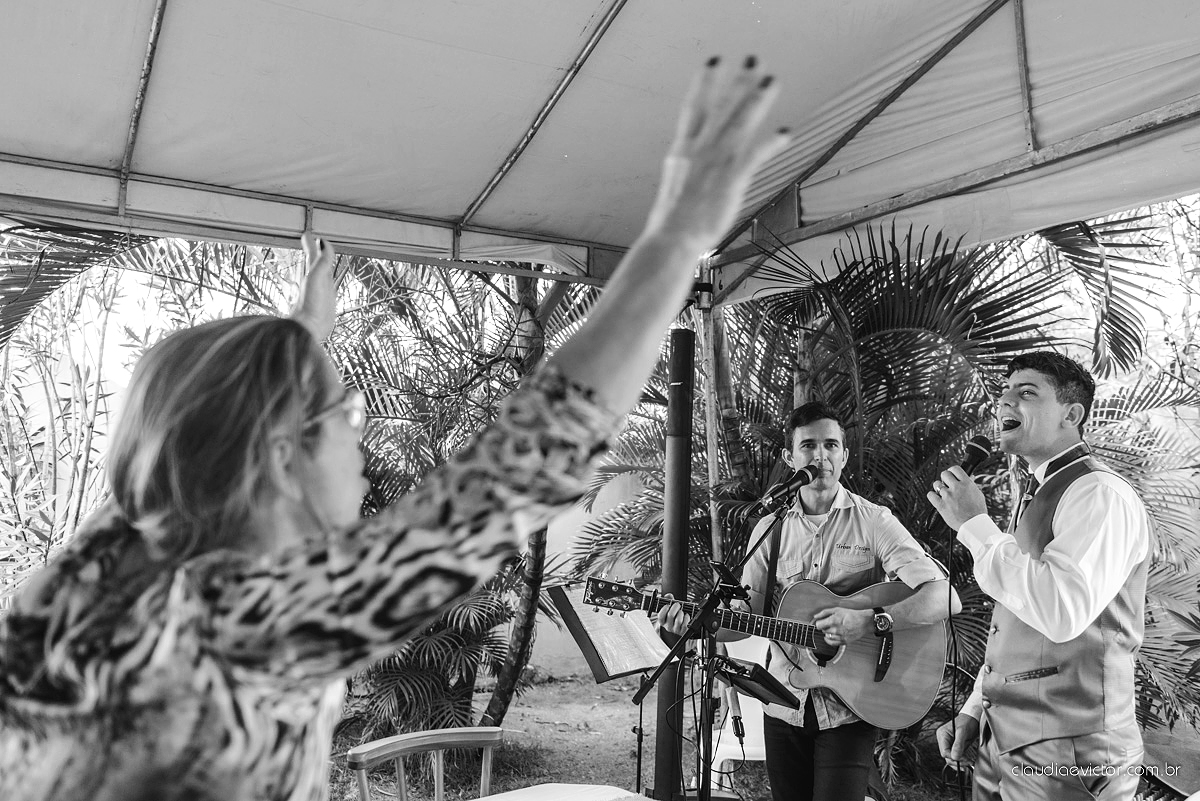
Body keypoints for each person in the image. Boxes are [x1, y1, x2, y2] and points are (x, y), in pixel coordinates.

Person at [0, 58, 790, 801]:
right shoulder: (247, 616)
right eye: (341, 411)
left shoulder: (89, 576)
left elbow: (189, 431)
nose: (360, 431)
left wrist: (295, 345)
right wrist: (677, 239)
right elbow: (519, 465)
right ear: (279, 456)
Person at [658, 401, 960, 801]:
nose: (821, 456)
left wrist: (870, 622)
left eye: (832, 445)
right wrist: (696, 625)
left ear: (845, 455)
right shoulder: (771, 528)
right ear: (790, 457)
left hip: (851, 707)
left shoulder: (875, 521)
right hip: (783, 701)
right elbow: (745, 615)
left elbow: (945, 597)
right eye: (809, 446)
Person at [929, 351, 1151, 800]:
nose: (1004, 402)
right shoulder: (1039, 491)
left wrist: (974, 525)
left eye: (1026, 393)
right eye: (1004, 393)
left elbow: (1060, 611)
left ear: (1072, 414)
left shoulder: (1099, 493)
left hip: (1070, 752)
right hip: (1003, 740)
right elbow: (1018, 619)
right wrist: (976, 709)